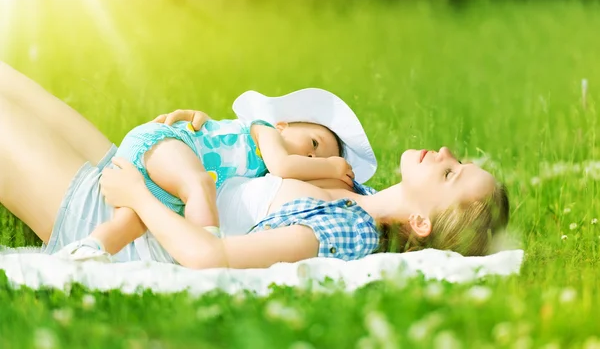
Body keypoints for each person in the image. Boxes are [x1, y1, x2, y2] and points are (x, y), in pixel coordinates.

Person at [0, 61, 509, 269]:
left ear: (421, 223)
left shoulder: (342, 230)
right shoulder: (351, 183)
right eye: (456, 160)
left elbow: (210, 257)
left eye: (450, 175)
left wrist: (135, 196)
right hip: (139, 181)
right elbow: (256, 152)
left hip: (118, 224)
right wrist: (198, 127)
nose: (445, 155)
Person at [56, 87, 370, 262]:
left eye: (318, 157)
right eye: (314, 144)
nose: (311, 158)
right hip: (165, 144)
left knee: (132, 223)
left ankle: (89, 251)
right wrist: (331, 166)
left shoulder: (263, 176)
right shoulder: (265, 131)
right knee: (199, 185)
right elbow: (284, 166)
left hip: (170, 185)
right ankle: (204, 250)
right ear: (284, 125)